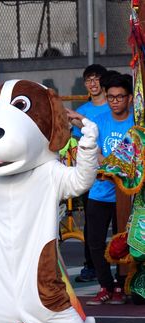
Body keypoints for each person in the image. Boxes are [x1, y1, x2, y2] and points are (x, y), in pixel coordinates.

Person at [70, 74, 134, 305]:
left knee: (124, 241)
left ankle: (123, 284)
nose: (115, 101)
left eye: (120, 97)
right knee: (95, 241)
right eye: (111, 98)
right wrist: (107, 162)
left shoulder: (136, 122)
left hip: (126, 194)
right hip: (100, 191)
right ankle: (107, 286)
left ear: (129, 98)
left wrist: (118, 166)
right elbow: (93, 149)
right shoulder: (101, 121)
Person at [66, 64, 110, 282]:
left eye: (96, 79)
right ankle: (91, 266)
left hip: (116, 173)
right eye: (88, 80)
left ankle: (124, 270)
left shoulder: (114, 107)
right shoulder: (81, 111)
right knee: (92, 226)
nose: (93, 84)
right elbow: (76, 140)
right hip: (92, 175)